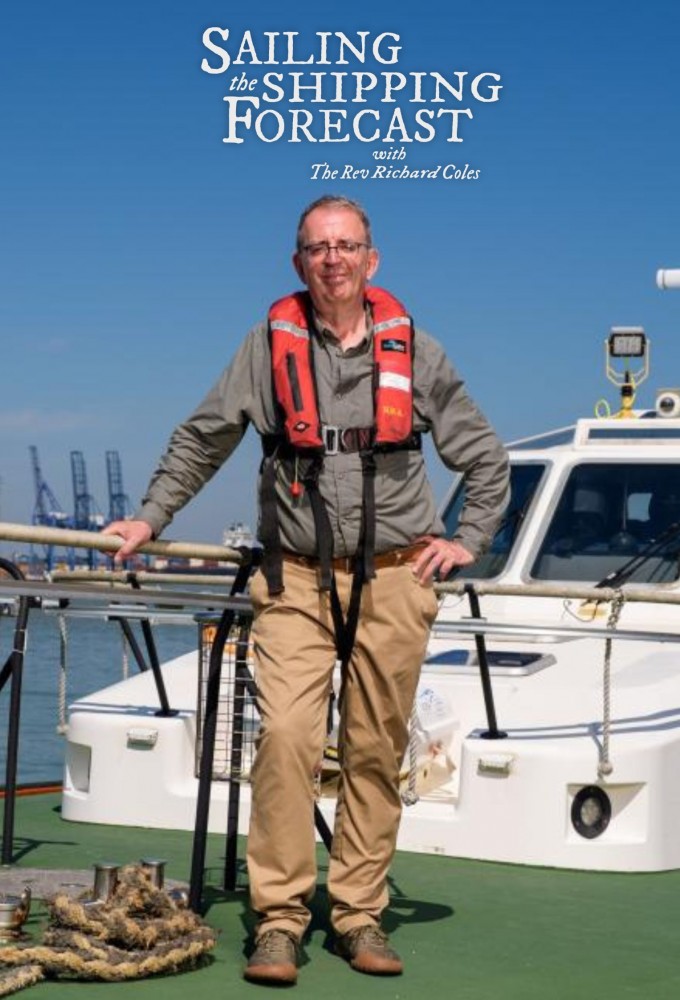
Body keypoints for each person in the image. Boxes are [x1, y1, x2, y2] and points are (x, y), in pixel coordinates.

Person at [103, 195, 509, 986]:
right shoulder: (267, 347)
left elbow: (486, 460)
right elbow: (204, 437)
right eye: (318, 248)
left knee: (373, 750)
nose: (333, 260)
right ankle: (279, 921)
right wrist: (151, 517)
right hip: (293, 580)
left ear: (371, 261)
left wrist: (468, 541)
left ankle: (358, 914)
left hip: (395, 580)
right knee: (286, 738)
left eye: (347, 246)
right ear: (299, 263)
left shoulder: (416, 353)